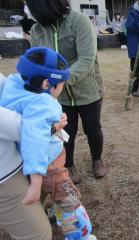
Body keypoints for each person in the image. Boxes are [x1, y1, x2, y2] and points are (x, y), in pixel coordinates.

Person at [0, 47, 96, 240]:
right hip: (50, 167)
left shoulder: (14, 84)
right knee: (71, 202)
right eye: (60, 84)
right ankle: (80, 235)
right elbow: (34, 142)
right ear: (46, 84)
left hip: (25, 161)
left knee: (56, 198)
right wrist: (35, 183)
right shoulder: (43, 106)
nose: (61, 88)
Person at [25, 0, 106, 183]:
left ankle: (97, 159)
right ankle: (68, 164)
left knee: (93, 129)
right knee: (66, 131)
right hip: (58, 97)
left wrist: (58, 80)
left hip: (88, 91)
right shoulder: (37, 30)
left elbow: (86, 59)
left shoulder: (79, 21)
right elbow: (37, 62)